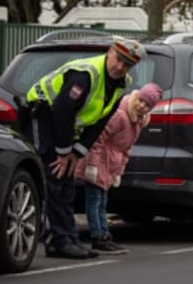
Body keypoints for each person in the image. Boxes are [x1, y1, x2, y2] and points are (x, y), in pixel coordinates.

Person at [22, 36, 146, 259]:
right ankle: (57, 241)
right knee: (54, 176)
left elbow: (100, 121)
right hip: (42, 114)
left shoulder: (121, 84)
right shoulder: (87, 74)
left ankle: (69, 238)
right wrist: (63, 153)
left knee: (67, 183)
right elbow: (62, 110)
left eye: (127, 64)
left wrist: (77, 152)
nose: (120, 67)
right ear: (110, 52)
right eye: (118, 59)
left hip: (65, 128)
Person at [74, 83, 162, 255]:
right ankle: (97, 237)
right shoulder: (121, 115)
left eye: (147, 105)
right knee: (95, 200)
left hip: (110, 165)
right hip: (99, 161)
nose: (142, 106)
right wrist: (91, 164)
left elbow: (126, 148)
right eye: (141, 101)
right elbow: (97, 139)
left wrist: (119, 172)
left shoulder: (137, 121)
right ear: (136, 97)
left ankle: (104, 235)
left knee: (102, 201)